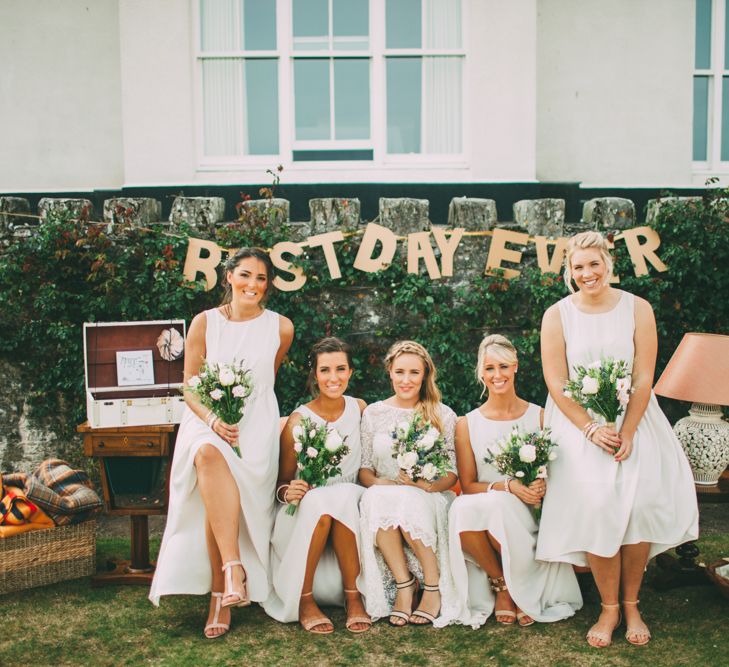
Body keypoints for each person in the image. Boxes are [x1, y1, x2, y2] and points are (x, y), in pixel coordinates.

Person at [536, 231, 698, 648]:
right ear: (569, 272)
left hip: (635, 420)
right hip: (580, 426)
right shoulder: (557, 315)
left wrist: (626, 430)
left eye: (594, 264)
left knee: (639, 503)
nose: (587, 273)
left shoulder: (637, 308)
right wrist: (591, 428)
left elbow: (644, 376)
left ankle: (632, 603)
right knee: (598, 504)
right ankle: (608, 607)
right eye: (578, 267)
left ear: (608, 263)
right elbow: (556, 382)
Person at [149, 247, 294, 639]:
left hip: (256, 425)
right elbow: (189, 385)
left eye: (262, 278)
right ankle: (232, 571)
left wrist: (242, 419)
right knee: (207, 455)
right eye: (245, 275)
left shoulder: (282, 327)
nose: (253, 285)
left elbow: (265, 384)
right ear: (228, 276)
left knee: (220, 501)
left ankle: (223, 590)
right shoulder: (204, 323)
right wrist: (214, 419)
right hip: (206, 419)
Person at [448, 334, 582, 629]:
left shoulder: (541, 417)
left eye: (504, 367)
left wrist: (541, 487)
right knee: (461, 508)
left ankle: (522, 586)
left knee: (492, 506)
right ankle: (502, 585)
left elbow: (559, 473)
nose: (498, 375)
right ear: (481, 373)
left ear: (516, 367)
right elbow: (468, 484)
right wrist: (507, 487)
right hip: (489, 506)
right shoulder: (466, 424)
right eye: (490, 368)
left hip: (528, 514)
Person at [263, 337, 371, 634]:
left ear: (350, 372)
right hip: (308, 511)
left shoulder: (360, 409)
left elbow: (368, 466)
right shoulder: (299, 421)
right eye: (325, 370)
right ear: (315, 374)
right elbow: (282, 483)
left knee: (344, 497)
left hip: (351, 500)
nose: (333, 378)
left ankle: (354, 596)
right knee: (324, 502)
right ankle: (304, 598)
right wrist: (289, 490)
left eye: (340, 369)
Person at [358, 340, 459, 627]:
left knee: (406, 498)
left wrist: (426, 485)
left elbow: (452, 473)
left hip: (428, 493)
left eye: (414, 373)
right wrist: (381, 482)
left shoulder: (442, 414)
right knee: (380, 497)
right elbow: (365, 468)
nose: (406, 380)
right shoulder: (373, 413)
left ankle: (432, 585)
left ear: (425, 374)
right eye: (400, 371)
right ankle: (404, 584)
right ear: (389, 371)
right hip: (386, 490)